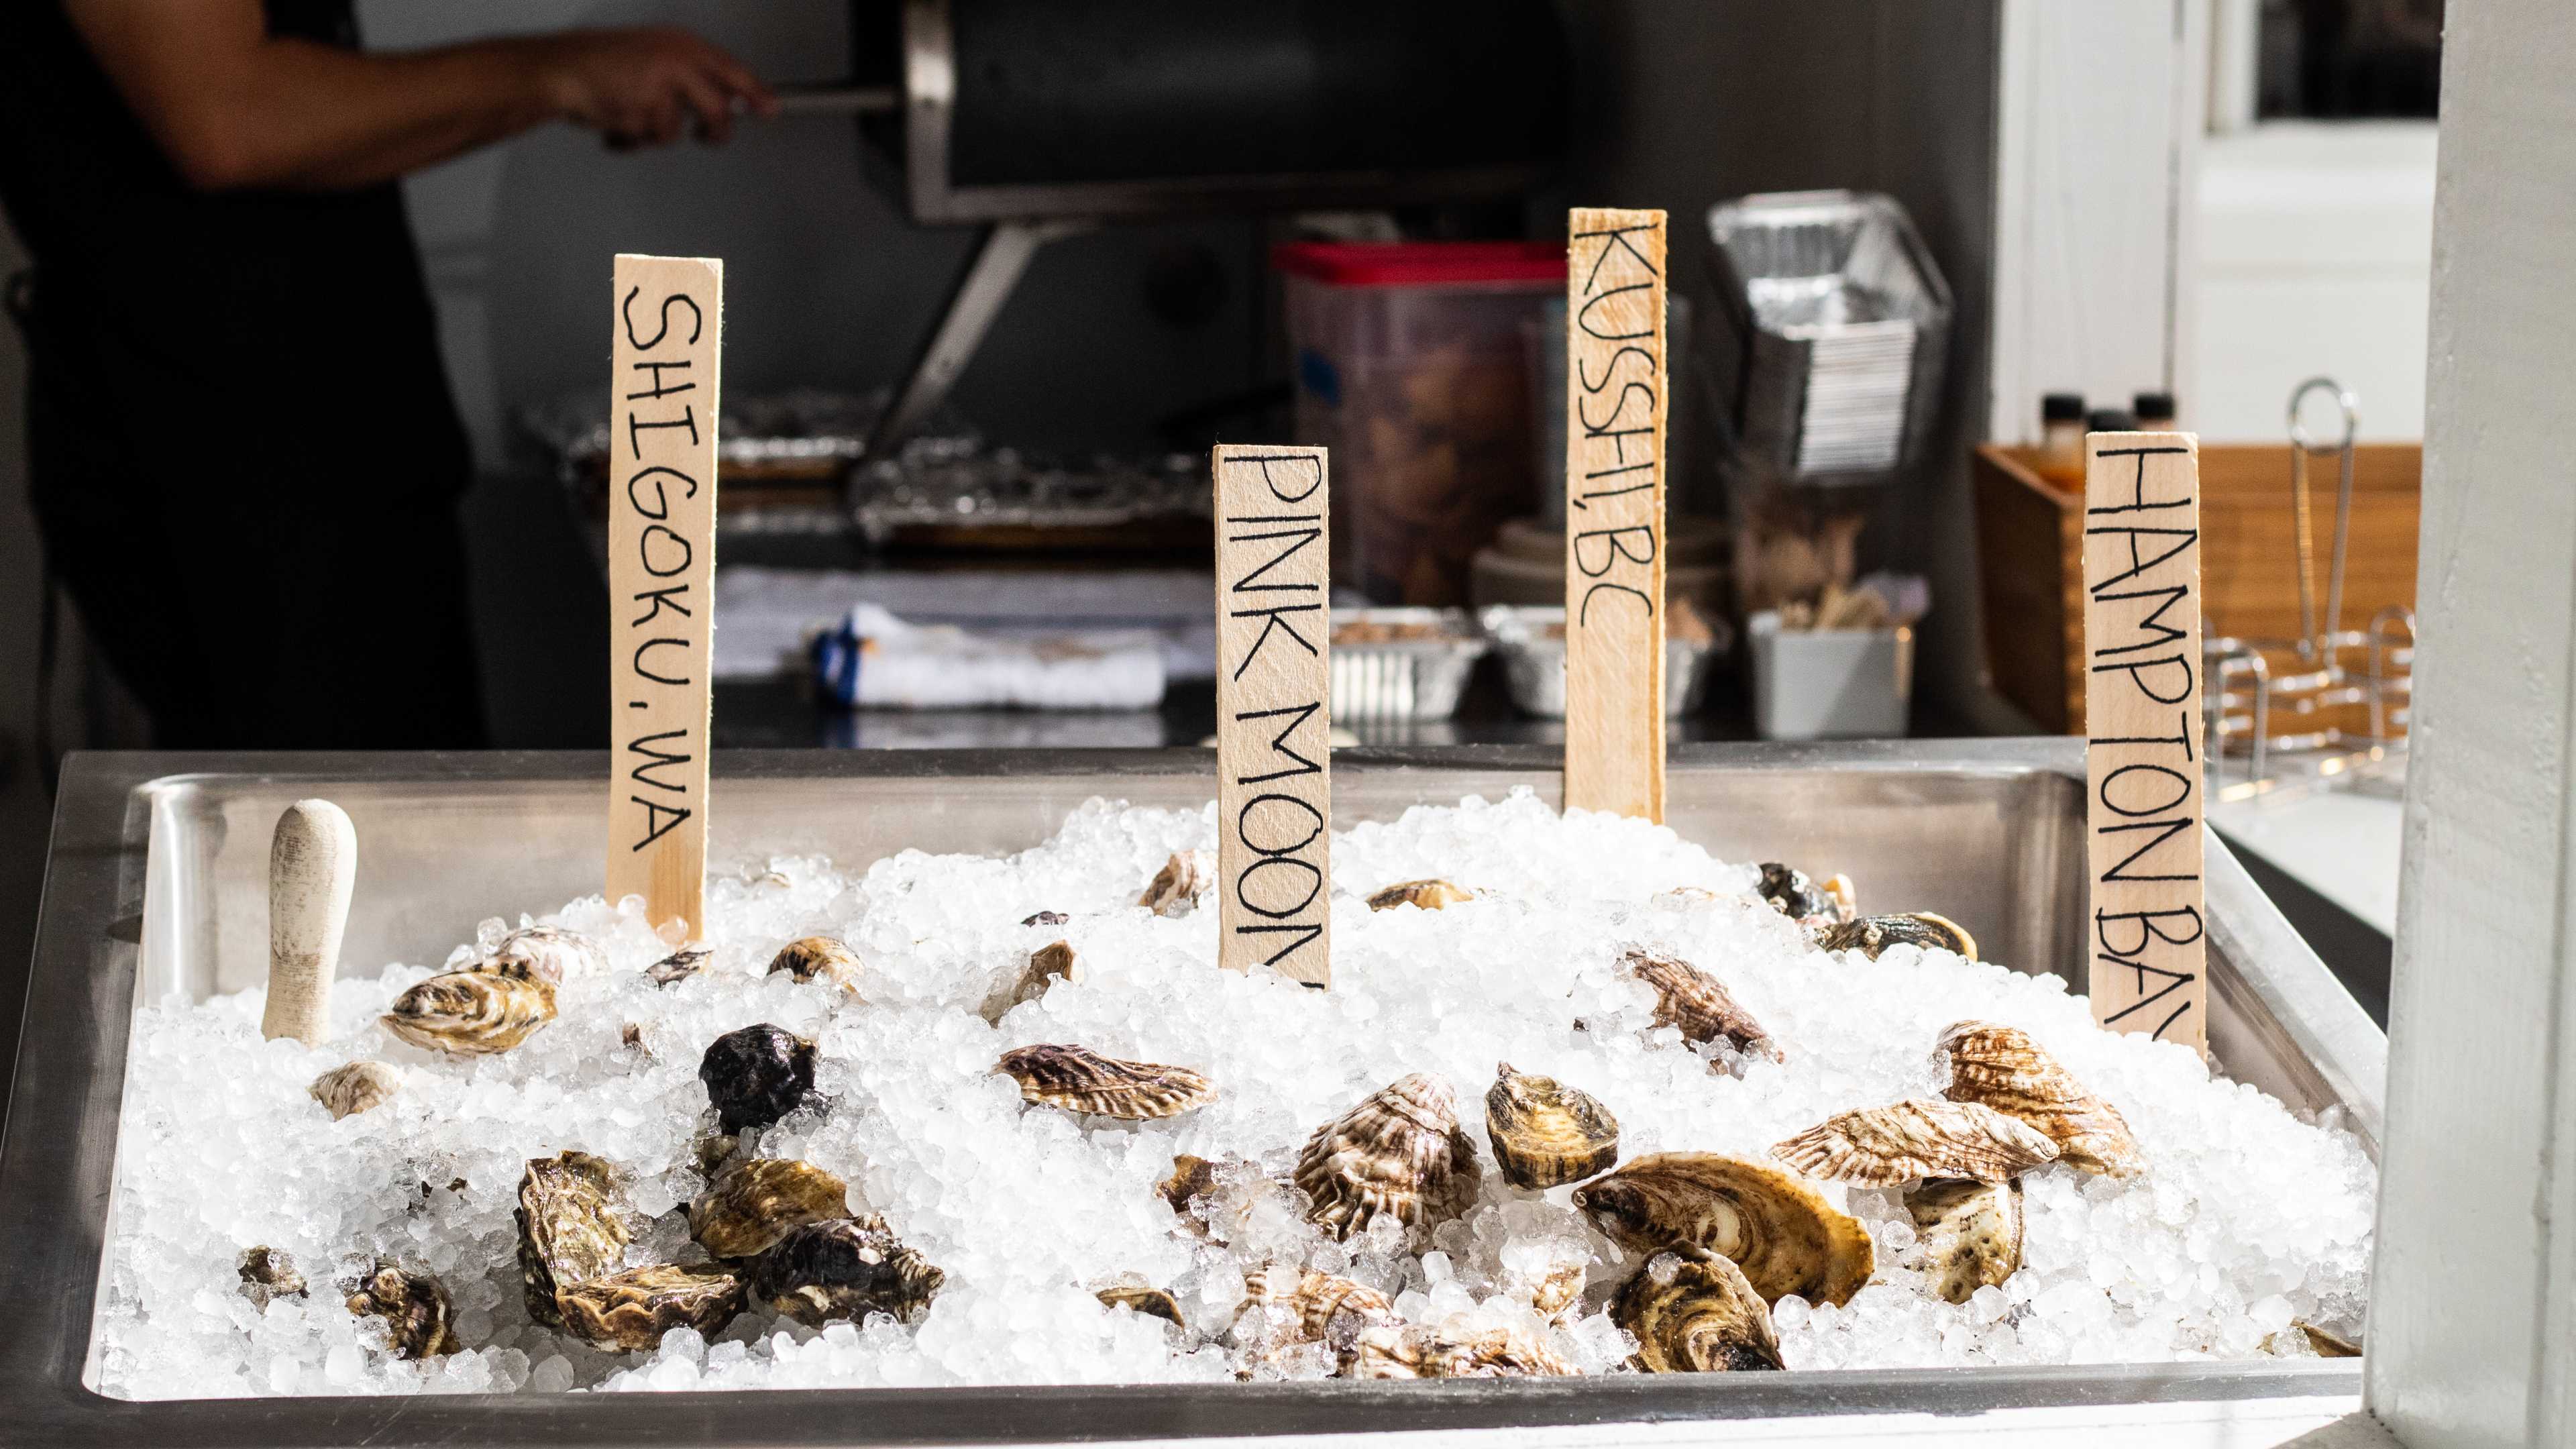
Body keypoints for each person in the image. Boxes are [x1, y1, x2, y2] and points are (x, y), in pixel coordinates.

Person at [0, 2, 775, 749]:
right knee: (313, 849)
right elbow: (228, 117)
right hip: (227, 470)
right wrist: (561, 74)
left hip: (322, 446)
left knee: (397, 820)